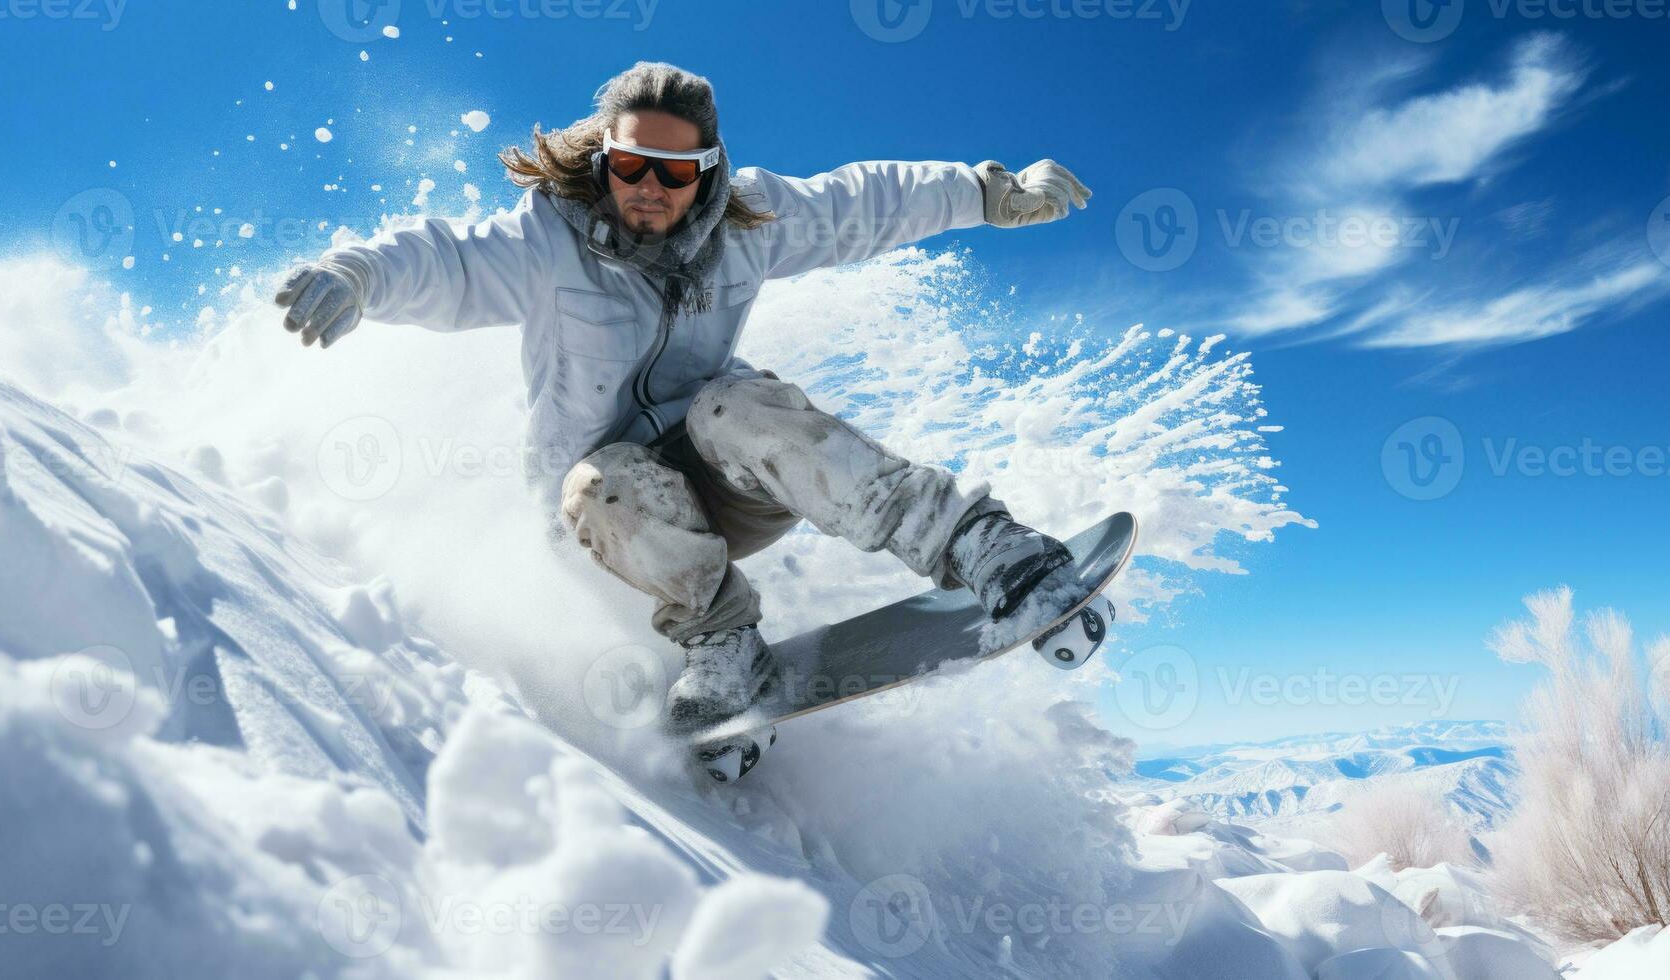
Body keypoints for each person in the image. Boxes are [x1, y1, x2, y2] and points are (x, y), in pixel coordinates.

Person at [274, 61, 1103, 739]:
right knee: (603, 478)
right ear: (603, 161)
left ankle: (980, 545)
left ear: (706, 173)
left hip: (730, 479)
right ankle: (720, 645)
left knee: (733, 405)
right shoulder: (545, 242)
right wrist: (359, 274)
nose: (645, 188)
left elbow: (865, 202)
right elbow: (445, 261)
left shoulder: (750, 225)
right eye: (627, 166)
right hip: (617, 517)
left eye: (671, 173)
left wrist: (985, 193)